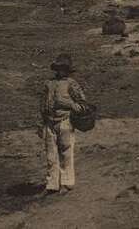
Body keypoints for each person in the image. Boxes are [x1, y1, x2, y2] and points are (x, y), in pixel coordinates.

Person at [39, 53, 86, 194]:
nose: (61, 71)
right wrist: (41, 122)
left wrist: (72, 105)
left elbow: (83, 103)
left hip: (65, 120)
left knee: (66, 152)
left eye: (63, 68)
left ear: (68, 70)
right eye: (59, 68)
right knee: (51, 155)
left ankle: (67, 183)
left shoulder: (72, 84)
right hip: (49, 122)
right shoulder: (48, 83)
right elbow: (42, 103)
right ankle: (52, 184)